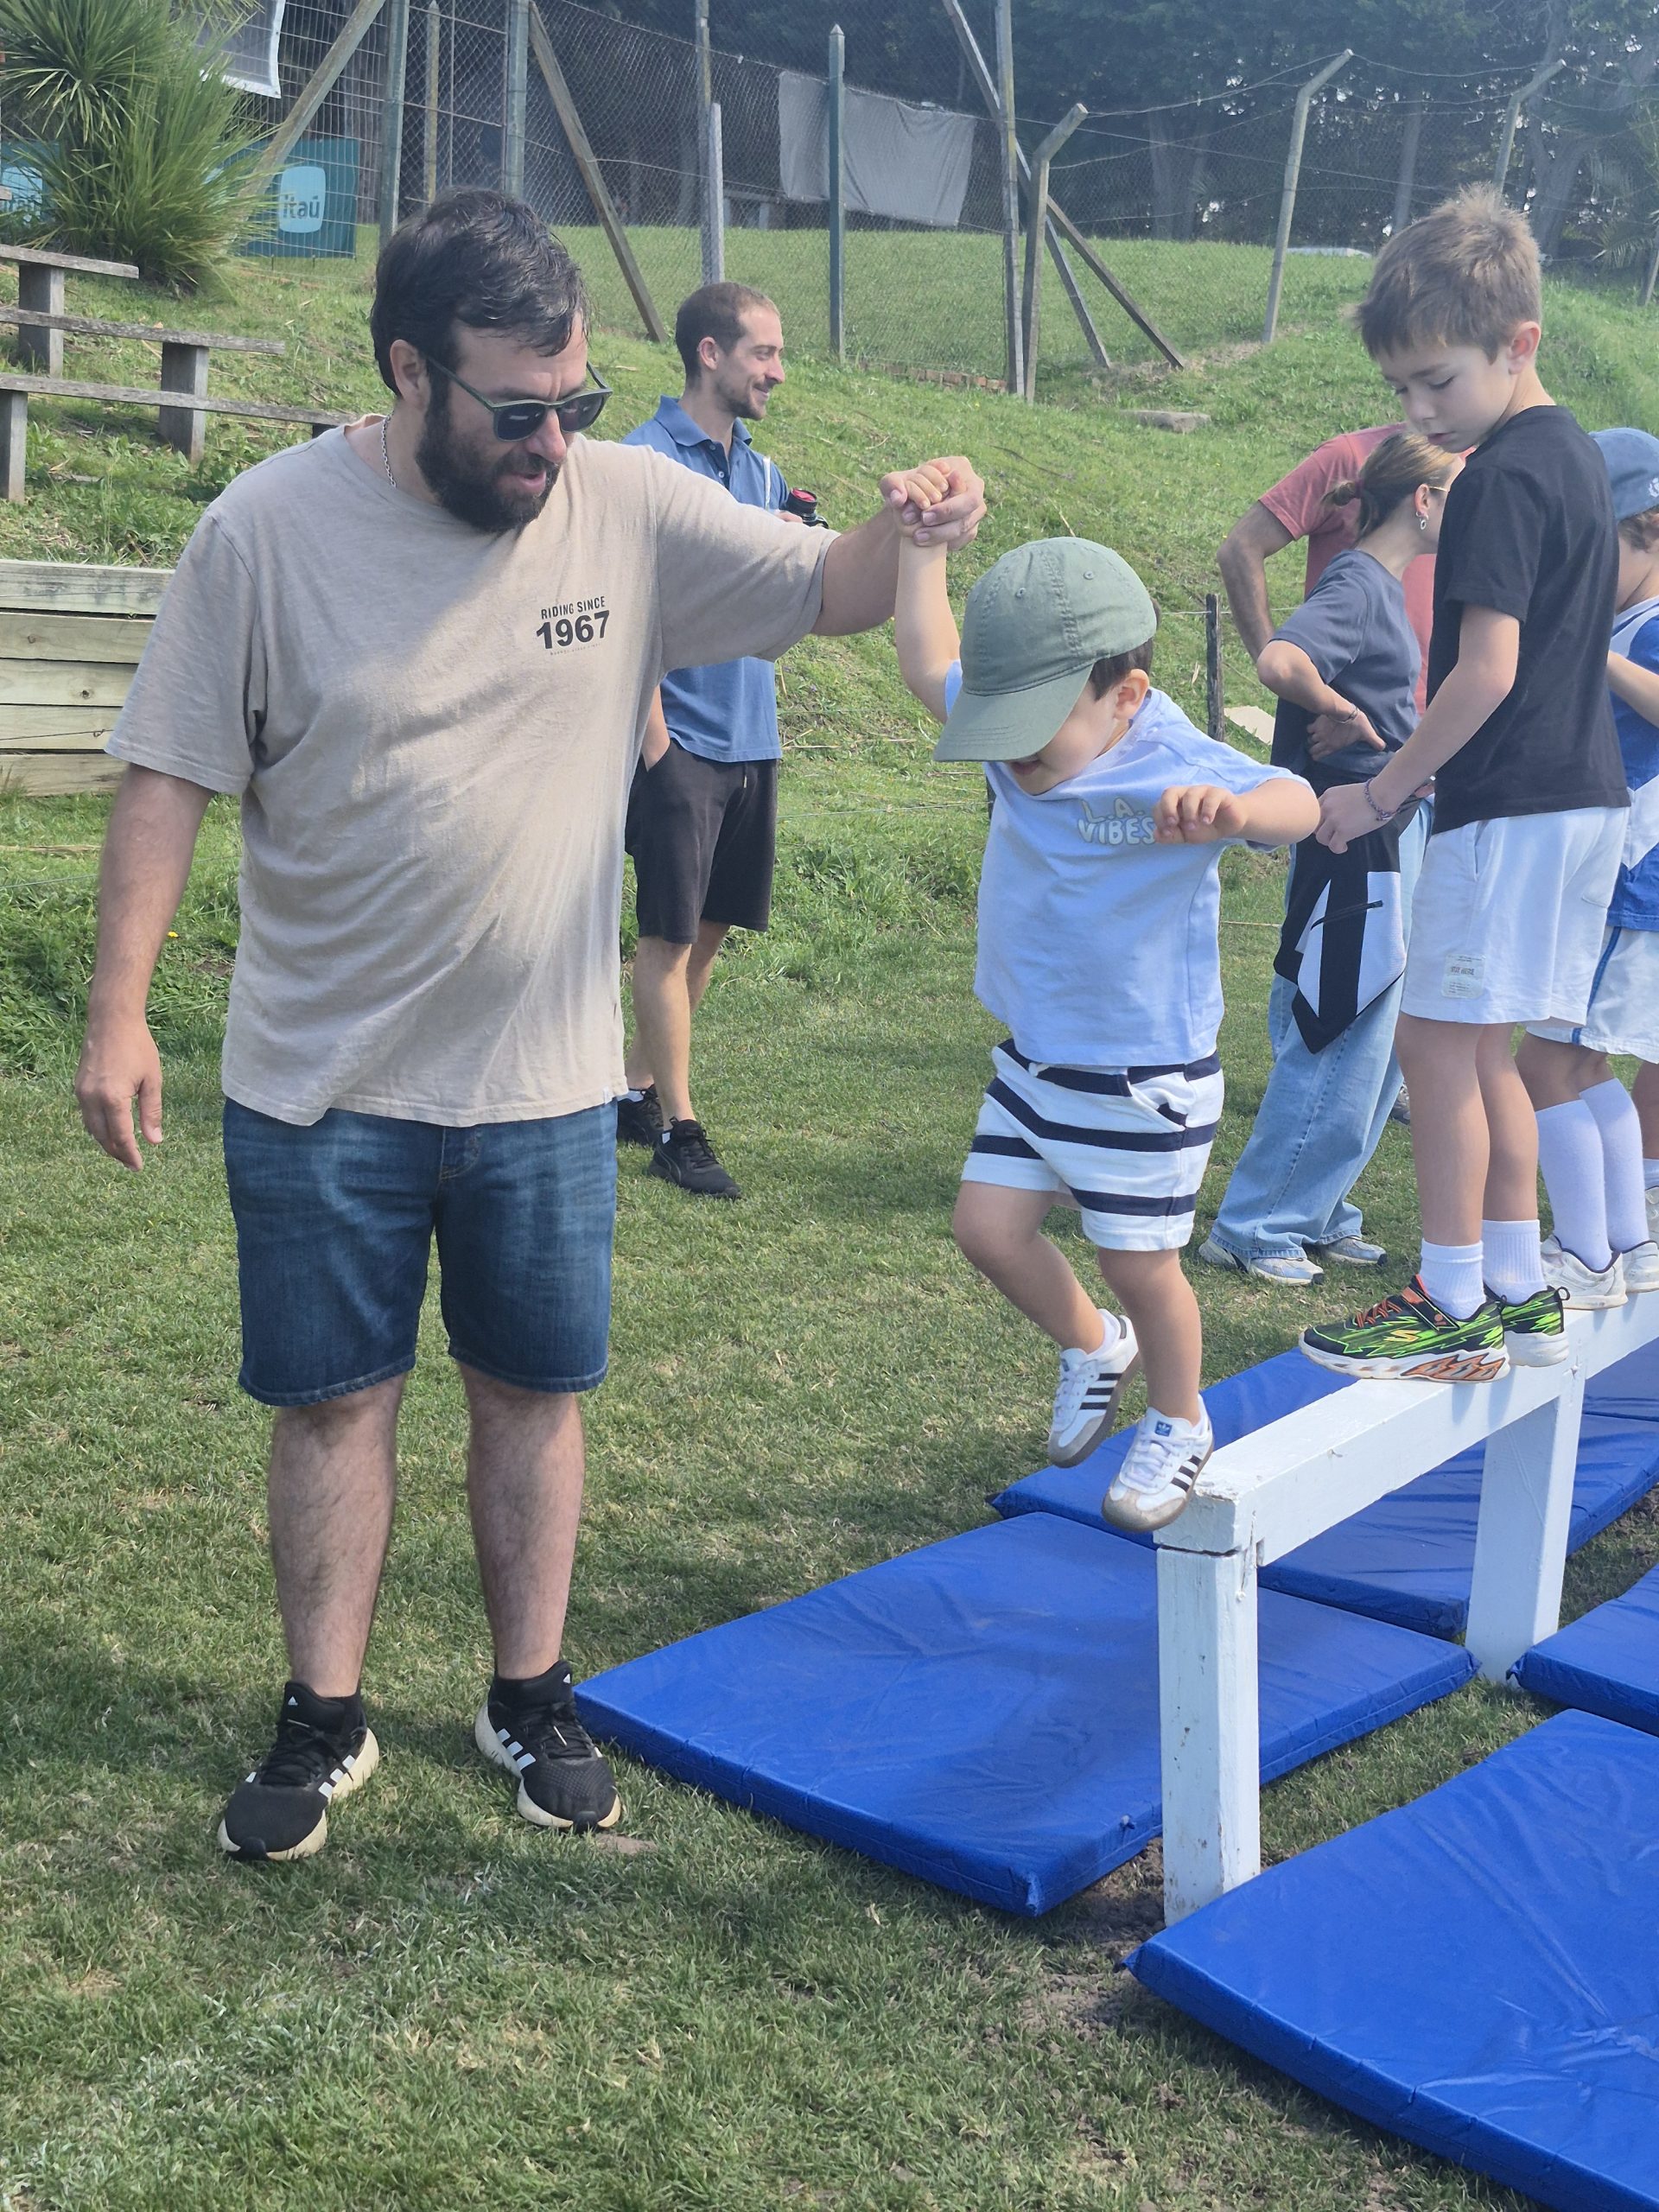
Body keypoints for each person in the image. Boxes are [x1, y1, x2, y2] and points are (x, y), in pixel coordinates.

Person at [73, 189, 986, 1863]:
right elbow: (170, 771)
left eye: (575, 403)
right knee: (331, 1403)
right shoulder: (264, 532)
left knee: (531, 1393)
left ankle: (529, 1692)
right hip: (319, 1082)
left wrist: (916, 524)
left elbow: (833, 588)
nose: (553, 444)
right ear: (409, 371)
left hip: (548, 1085)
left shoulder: (622, 503)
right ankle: (325, 1717)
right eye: (517, 413)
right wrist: (119, 1010)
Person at [895, 531, 1317, 1531]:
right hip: (1036, 1056)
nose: (1012, 754)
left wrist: (1235, 813)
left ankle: (1179, 1417)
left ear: (1125, 696)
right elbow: (923, 657)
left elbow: (1300, 801)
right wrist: (922, 549)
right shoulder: (1015, 720)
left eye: (1036, 733)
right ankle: (1095, 1344)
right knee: (985, 1230)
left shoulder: (1171, 754)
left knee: (1138, 1261)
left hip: (1142, 1073)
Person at [1300, 188, 1630, 1382]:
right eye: (1401, 388)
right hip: (1582, 801)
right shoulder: (1579, 457)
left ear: (1518, 343)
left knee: (1434, 1050)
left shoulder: (1496, 479)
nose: (1418, 411)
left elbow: (1483, 672)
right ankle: (1514, 1284)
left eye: (1437, 381)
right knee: (1487, 1053)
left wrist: (1381, 793)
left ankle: (1447, 1302)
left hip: (1511, 806)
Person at [1199, 433, 1462, 1286]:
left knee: (1375, 1032)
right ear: (1421, 501)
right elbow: (1281, 658)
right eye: (1457, 494)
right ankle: (1257, 1224)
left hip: (1385, 827)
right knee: (1341, 1021)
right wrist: (1336, 706)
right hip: (1356, 835)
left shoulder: (1378, 583)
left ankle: (1317, 1209)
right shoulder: (1358, 582)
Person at [619, 282, 798, 1199]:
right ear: (710, 354)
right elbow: (623, 611)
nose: (778, 371)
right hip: (679, 741)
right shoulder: (640, 462)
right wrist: (656, 746)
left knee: (709, 933)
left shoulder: (761, 473)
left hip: (751, 739)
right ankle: (678, 1130)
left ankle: (632, 1090)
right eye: (764, 353)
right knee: (666, 934)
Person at [1515, 428, 1659, 1304]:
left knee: (1542, 1067)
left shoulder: (1647, 627)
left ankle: (1585, 1255)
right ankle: (1626, 1246)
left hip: (1624, 883)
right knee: (1583, 1066)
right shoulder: (1625, 623)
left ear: (1645, 530)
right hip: (1608, 879)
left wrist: (1589, 655)